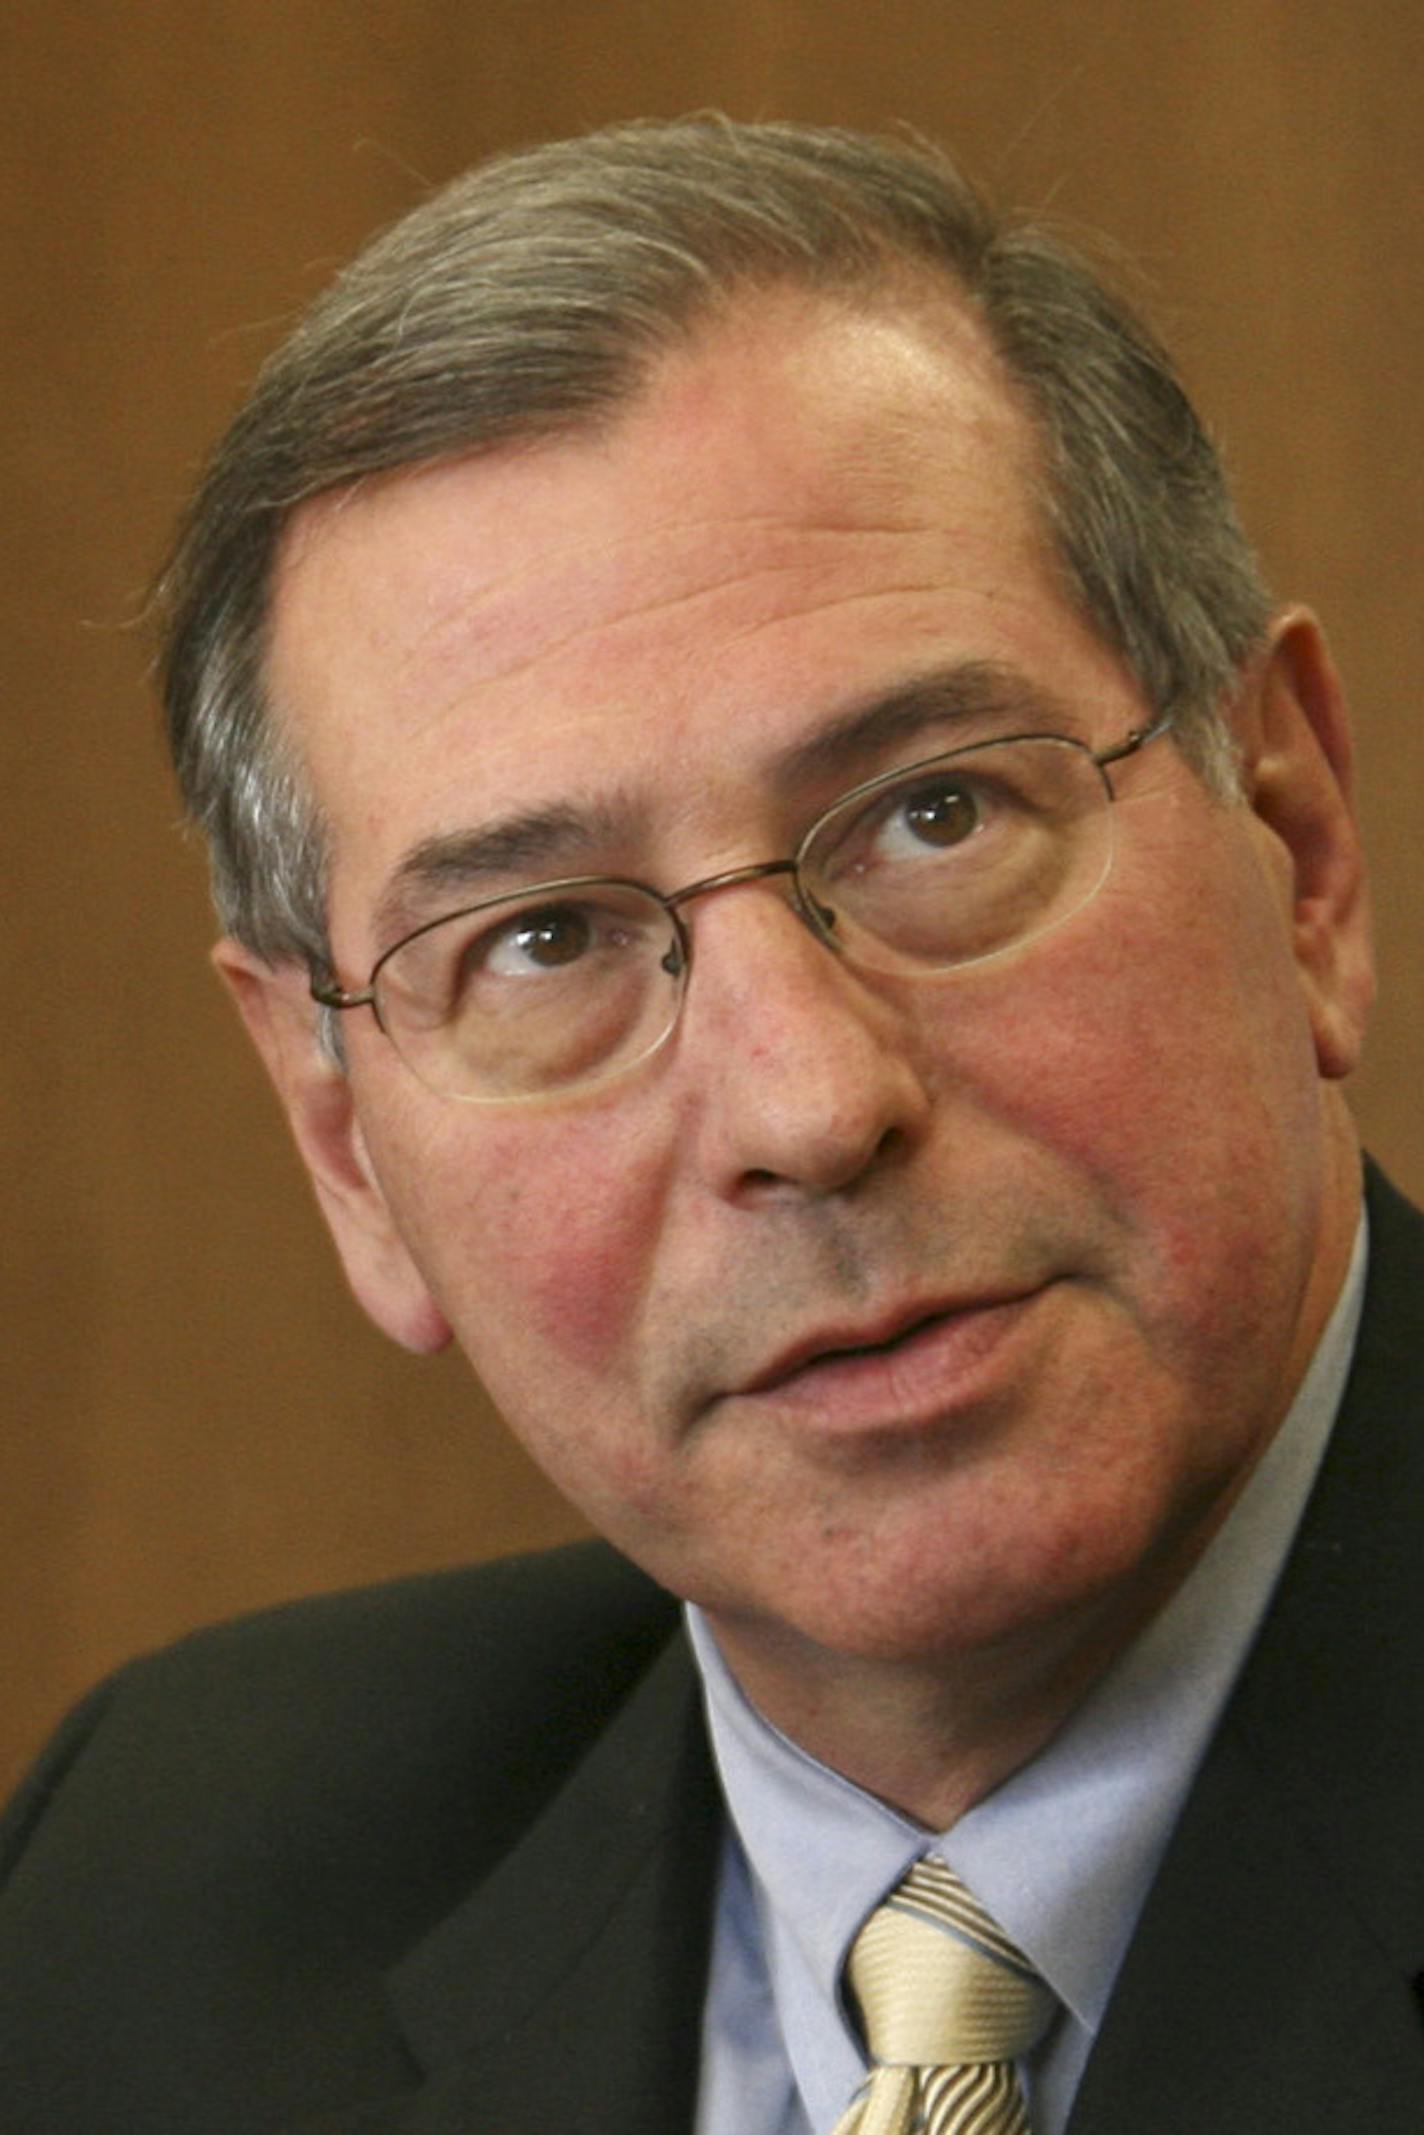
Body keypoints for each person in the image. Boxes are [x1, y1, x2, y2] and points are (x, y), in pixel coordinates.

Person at [1, 115, 1418, 2135]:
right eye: (545, 938)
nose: (810, 1103)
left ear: (1295, 848)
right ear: (340, 1139)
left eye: (940, 814)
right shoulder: (151, 1908)